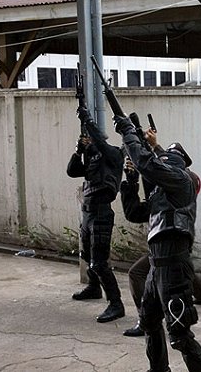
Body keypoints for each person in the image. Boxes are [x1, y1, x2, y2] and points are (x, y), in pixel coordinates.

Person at [114, 116, 201, 372]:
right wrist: (130, 180)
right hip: (155, 266)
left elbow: (150, 165)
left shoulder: (182, 182)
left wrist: (129, 133)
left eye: (166, 164)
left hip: (173, 266)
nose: (163, 167)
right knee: (149, 321)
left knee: (180, 336)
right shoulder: (161, 193)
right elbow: (134, 212)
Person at [66, 107, 125, 323]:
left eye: (93, 139)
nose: (91, 141)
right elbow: (72, 171)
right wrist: (79, 150)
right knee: (87, 256)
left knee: (99, 261)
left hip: (101, 212)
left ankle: (116, 303)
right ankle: (93, 287)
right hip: (87, 212)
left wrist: (88, 121)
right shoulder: (92, 156)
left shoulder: (114, 154)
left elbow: (101, 143)